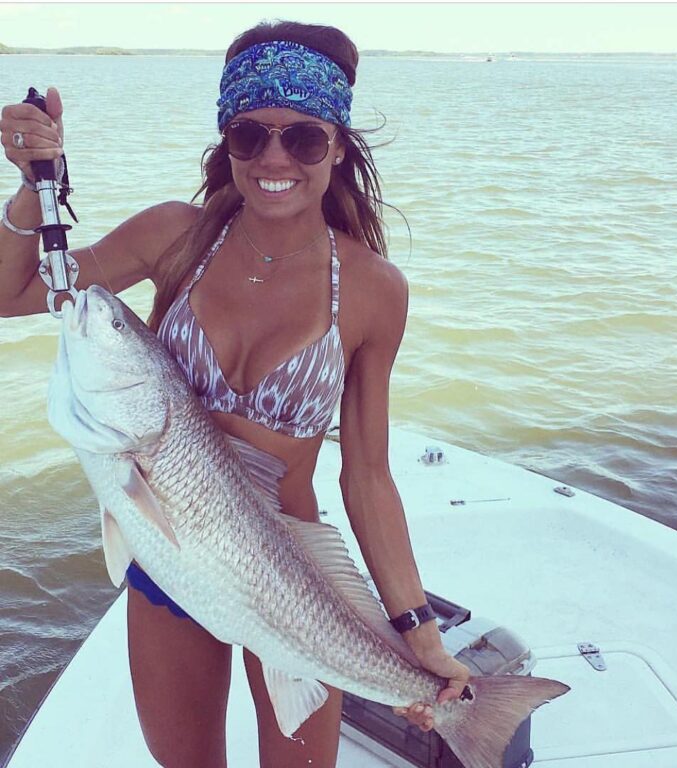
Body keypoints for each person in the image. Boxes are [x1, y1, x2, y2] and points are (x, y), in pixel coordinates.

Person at [0, 20, 471, 768]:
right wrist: (32, 186)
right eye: (249, 136)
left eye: (304, 139)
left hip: (294, 571)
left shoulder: (376, 291)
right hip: (172, 552)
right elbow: (16, 290)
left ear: (338, 146)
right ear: (227, 148)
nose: (274, 158)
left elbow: (368, 474)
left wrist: (416, 630)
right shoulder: (176, 235)